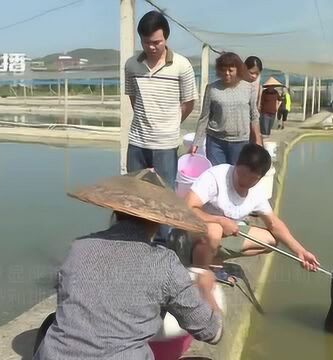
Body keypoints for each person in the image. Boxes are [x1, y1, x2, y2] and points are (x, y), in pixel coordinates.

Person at [35, 170, 222, 360]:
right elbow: (211, 332)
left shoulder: (77, 247)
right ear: (158, 220)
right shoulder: (165, 264)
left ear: (116, 211)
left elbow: (65, 301)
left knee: (51, 322)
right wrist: (206, 289)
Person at [185, 144, 319, 281]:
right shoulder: (215, 177)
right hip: (195, 231)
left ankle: (212, 259)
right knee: (214, 230)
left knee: (271, 241)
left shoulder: (256, 193)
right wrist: (219, 220)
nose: (245, 182)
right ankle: (199, 274)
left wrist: (300, 251)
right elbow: (187, 207)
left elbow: (273, 223)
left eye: (252, 179)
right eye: (242, 175)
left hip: (225, 235)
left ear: (260, 178)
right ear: (236, 164)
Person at [124, 11, 197, 188]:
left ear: (166, 37)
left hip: (166, 143)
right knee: (134, 191)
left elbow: (189, 102)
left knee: (165, 193)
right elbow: (134, 99)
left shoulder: (182, 65)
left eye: (157, 42)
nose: (151, 47)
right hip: (137, 141)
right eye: (146, 42)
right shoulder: (131, 65)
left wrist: (170, 123)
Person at [191, 52, 262, 166]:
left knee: (236, 175)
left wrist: (258, 141)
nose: (227, 73)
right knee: (217, 173)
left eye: (231, 70)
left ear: (238, 70)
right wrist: (196, 142)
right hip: (215, 142)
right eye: (223, 70)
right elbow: (205, 117)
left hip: (240, 142)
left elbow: (254, 116)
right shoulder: (212, 88)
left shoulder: (249, 88)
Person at [244, 56, 263, 143]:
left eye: (257, 74)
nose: (254, 76)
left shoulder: (255, 86)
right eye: (251, 73)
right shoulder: (236, 85)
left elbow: (254, 113)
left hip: (250, 126)